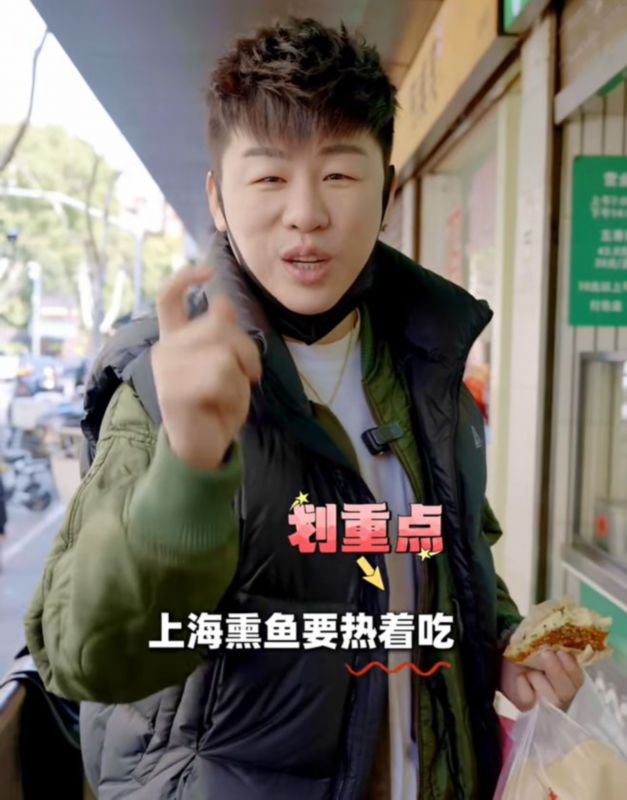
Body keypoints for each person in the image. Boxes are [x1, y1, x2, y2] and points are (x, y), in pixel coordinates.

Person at [23, 17, 584, 800]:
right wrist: (188, 466)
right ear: (218, 200)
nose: (306, 213)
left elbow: (447, 563)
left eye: (340, 174)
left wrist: (501, 648)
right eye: (268, 178)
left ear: (387, 194)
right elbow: (89, 659)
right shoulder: (165, 382)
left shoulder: (426, 374)